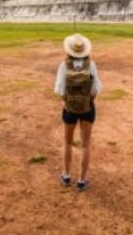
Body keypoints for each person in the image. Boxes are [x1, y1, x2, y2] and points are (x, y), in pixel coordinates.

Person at [53, 33, 102, 191]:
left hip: (69, 109)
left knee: (68, 142)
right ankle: (81, 180)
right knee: (85, 144)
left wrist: (70, 101)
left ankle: (66, 175)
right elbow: (95, 90)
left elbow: (60, 91)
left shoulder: (64, 65)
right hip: (88, 108)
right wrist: (86, 101)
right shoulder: (91, 65)